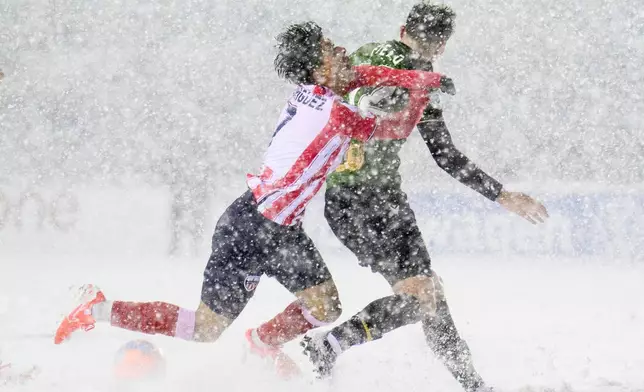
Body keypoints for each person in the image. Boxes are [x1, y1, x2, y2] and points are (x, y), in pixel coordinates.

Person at [53, 21, 454, 376]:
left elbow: (362, 74)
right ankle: (96, 309)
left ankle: (261, 343)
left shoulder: (314, 88)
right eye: (332, 50)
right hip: (249, 228)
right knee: (205, 328)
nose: (342, 51)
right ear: (319, 69)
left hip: (282, 230)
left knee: (326, 307)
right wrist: (421, 94)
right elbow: (398, 128)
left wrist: (422, 81)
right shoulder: (335, 111)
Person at [275, 4, 548, 392]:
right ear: (429, 39)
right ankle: (330, 344)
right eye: (431, 40)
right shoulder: (383, 56)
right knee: (421, 294)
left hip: (388, 201)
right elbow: (365, 87)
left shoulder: (426, 85)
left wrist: (500, 194)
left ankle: (470, 383)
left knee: (429, 294)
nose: (430, 48)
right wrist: (394, 91)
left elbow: (444, 153)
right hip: (352, 201)